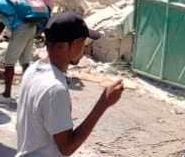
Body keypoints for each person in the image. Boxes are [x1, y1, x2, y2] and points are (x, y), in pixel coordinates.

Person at [16, 12, 120, 156]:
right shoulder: (54, 89)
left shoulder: (33, 69)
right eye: (83, 43)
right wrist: (103, 103)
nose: (84, 49)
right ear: (74, 44)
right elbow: (66, 147)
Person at [0, 0, 50, 104]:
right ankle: (28, 93)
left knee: (9, 62)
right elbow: (0, 28)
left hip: (21, 30)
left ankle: (6, 95)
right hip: (31, 27)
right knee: (25, 62)